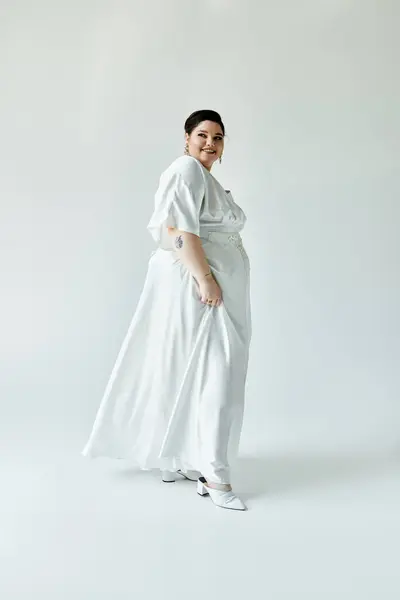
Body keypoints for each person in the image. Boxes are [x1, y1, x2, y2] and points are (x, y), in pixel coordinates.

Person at [82, 109, 252, 511]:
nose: (211, 143)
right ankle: (214, 475)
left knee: (192, 369)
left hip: (209, 284)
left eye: (218, 137)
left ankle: (179, 458)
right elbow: (178, 231)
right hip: (198, 286)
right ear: (187, 138)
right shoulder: (186, 170)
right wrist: (205, 278)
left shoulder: (205, 178)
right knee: (216, 373)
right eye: (203, 135)